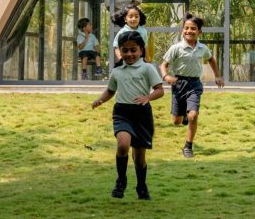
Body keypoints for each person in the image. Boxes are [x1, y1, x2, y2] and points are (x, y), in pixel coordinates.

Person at [91, 31, 163, 200]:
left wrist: (148, 97)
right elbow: (110, 91)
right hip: (122, 112)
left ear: (141, 50)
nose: (129, 54)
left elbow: (160, 90)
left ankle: (141, 186)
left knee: (139, 158)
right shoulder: (117, 72)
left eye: (133, 50)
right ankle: (121, 181)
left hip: (142, 114)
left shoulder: (147, 68)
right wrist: (100, 100)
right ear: (120, 52)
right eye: (125, 50)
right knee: (123, 144)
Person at [159, 16, 225, 159]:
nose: (189, 31)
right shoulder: (176, 48)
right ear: (183, 30)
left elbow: (211, 59)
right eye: (187, 28)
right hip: (178, 84)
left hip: (194, 84)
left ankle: (188, 146)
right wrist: (166, 77)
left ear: (199, 32)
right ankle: (183, 117)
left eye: (193, 28)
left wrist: (217, 76)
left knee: (193, 115)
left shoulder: (203, 48)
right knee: (176, 121)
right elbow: (163, 65)